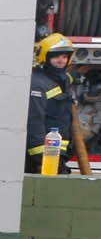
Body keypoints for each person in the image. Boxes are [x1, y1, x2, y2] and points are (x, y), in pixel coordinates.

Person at [27, 33, 78, 174]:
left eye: (64, 57)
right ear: (45, 57)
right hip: (42, 158)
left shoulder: (61, 80)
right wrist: (41, 158)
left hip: (56, 154)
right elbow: (34, 122)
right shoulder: (37, 84)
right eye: (56, 57)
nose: (61, 61)